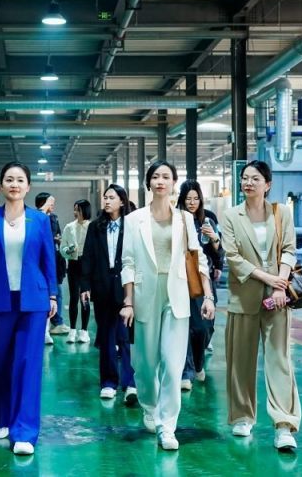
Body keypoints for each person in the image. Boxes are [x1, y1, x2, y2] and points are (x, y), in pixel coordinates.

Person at [120, 160, 215, 451]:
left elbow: (198, 258)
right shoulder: (133, 219)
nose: (160, 181)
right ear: (148, 183)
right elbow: (128, 262)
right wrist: (128, 301)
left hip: (177, 294)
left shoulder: (185, 218)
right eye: (156, 177)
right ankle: (150, 406)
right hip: (146, 293)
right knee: (145, 364)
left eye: (166, 177)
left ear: (174, 183)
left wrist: (208, 296)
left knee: (173, 365)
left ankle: (168, 426)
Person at [0, 162, 58, 456]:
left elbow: (49, 259)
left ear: (28, 186)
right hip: (0, 298)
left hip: (34, 300)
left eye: (20, 180)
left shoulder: (40, 220)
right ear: (1, 186)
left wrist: (53, 295)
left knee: (27, 363)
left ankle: (24, 432)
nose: (14, 184)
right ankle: (2, 418)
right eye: (9, 179)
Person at [221, 160, 301, 451]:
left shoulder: (282, 213)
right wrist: (268, 277)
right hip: (243, 296)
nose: (248, 183)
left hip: (277, 297)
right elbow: (232, 257)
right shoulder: (231, 215)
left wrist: (280, 283)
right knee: (240, 361)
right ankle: (242, 417)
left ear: (268, 184)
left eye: (255, 178)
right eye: (245, 178)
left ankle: (284, 425)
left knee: (279, 361)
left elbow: (289, 249)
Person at [80, 185, 136, 403]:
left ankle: (130, 383)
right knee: (106, 337)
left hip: (125, 286)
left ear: (122, 201)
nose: (107, 201)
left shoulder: (131, 225)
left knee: (126, 337)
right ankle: (109, 383)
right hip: (102, 286)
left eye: (111, 197)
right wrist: (85, 285)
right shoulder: (96, 227)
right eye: (105, 197)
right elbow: (88, 256)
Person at [176, 180, 224, 391]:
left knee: (204, 327)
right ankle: (186, 373)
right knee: (185, 327)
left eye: (196, 198)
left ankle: (197, 363)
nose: (192, 203)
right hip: (181, 279)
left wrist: (214, 239)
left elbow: (219, 250)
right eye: (188, 199)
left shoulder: (209, 219)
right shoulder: (176, 220)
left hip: (204, 280)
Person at [36, 192, 68, 340]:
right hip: (41, 262)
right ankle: (45, 327)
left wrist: (58, 239)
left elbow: (57, 235)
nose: (53, 205)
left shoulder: (54, 218)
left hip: (55, 260)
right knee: (47, 294)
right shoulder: (35, 217)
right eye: (50, 202)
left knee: (57, 292)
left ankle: (56, 322)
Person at [61, 199, 92, 343]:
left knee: (85, 298)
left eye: (78, 210)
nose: (75, 212)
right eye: (74, 209)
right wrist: (68, 250)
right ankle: (72, 330)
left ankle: (84, 331)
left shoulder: (92, 227)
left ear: (84, 211)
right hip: (74, 263)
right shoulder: (69, 227)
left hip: (87, 265)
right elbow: (63, 248)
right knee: (73, 297)